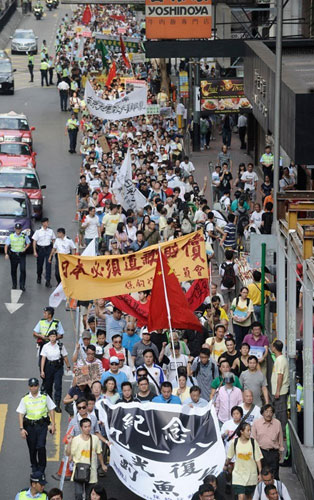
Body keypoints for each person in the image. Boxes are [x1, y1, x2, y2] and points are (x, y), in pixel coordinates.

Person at [16, 377, 56, 475]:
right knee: (32, 448)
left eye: (35, 386)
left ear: (38, 386)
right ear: (29, 387)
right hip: (30, 427)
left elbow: (51, 409)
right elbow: (21, 414)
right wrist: (21, 429)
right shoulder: (25, 399)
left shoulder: (44, 396)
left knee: (41, 447)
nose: (33, 388)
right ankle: (34, 466)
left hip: (42, 426)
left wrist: (53, 424)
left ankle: (41, 469)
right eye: (31, 386)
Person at [66, 418, 107, 500]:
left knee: (90, 495)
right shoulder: (75, 440)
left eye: (89, 426)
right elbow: (68, 454)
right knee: (78, 494)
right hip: (78, 471)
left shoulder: (95, 439)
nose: (88, 428)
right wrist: (70, 443)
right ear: (81, 428)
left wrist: (102, 465)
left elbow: (99, 453)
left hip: (92, 472)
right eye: (85, 427)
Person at [224, 422, 263, 500]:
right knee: (241, 496)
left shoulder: (253, 442)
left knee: (249, 497)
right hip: (238, 474)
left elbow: (258, 459)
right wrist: (225, 464)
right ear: (241, 431)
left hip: (251, 475)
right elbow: (229, 457)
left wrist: (260, 473)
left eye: (250, 430)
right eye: (248, 430)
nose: (249, 432)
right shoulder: (234, 442)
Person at [40, 330, 71, 412]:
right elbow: (43, 358)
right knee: (48, 386)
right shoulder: (46, 346)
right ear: (49, 337)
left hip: (58, 367)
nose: (53, 338)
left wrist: (68, 365)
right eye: (51, 336)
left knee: (58, 386)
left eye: (54, 336)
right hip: (49, 367)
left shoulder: (60, 346)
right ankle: (50, 403)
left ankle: (57, 404)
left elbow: (65, 356)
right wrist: (42, 370)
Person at [251, 404, 284, 480]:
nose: (268, 414)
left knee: (274, 475)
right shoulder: (256, 423)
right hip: (261, 452)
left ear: (273, 413)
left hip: (273, 453)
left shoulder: (277, 423)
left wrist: (280, 452)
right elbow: (253, 440)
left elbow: (280, 438)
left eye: (270, 412)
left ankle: (274, 490)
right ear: (262, 413)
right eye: (266, 412)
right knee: (262, 474)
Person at [4, 222, 31, 291]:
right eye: (17, 229)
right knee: (13, 270)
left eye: (19, 229)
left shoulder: (24, 235)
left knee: (23, 270)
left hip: (21, 255)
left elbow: (28, 243)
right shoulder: (11, 236)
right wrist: (6, 253)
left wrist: (25, 248)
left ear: (21, 229)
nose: (18, 230)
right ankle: (14, 284)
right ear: (14, 229)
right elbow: (6, 245)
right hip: (13, 255)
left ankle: (22, 285)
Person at [271, 340, 289, 437]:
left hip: (280, 392)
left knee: (281, 413)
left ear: (274, 348)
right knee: (278, 412)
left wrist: (277, 391)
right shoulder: (279, 359)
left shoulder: (280, 360)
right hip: (279, 391)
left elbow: (280, 376)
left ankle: (283, 435)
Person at [32, 218, 56, 288]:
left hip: (48, 249)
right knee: (40, 265)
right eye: (46, 222)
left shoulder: (51, 231)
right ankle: (39, 276)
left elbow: (53, 240)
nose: (47, 223)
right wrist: (34, 251)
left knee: (48, 265)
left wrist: (54, 249)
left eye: (48, 222)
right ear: (43, 223)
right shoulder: (38, 231)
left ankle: (48, 281)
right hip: (40, 249)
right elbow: (34, 241)